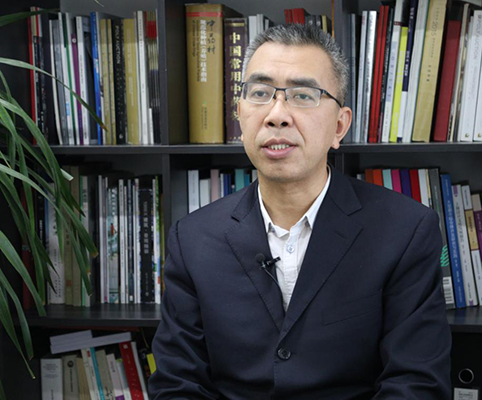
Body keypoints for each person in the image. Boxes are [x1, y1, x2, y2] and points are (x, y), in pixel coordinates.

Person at [149, 24, 451, 399]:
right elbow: (178, 384)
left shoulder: (405, 231)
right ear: (239, 115)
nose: (277, 115)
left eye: (303, 96)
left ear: (339, 126)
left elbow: (416, 384)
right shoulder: (192, 239)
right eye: (260, 94)